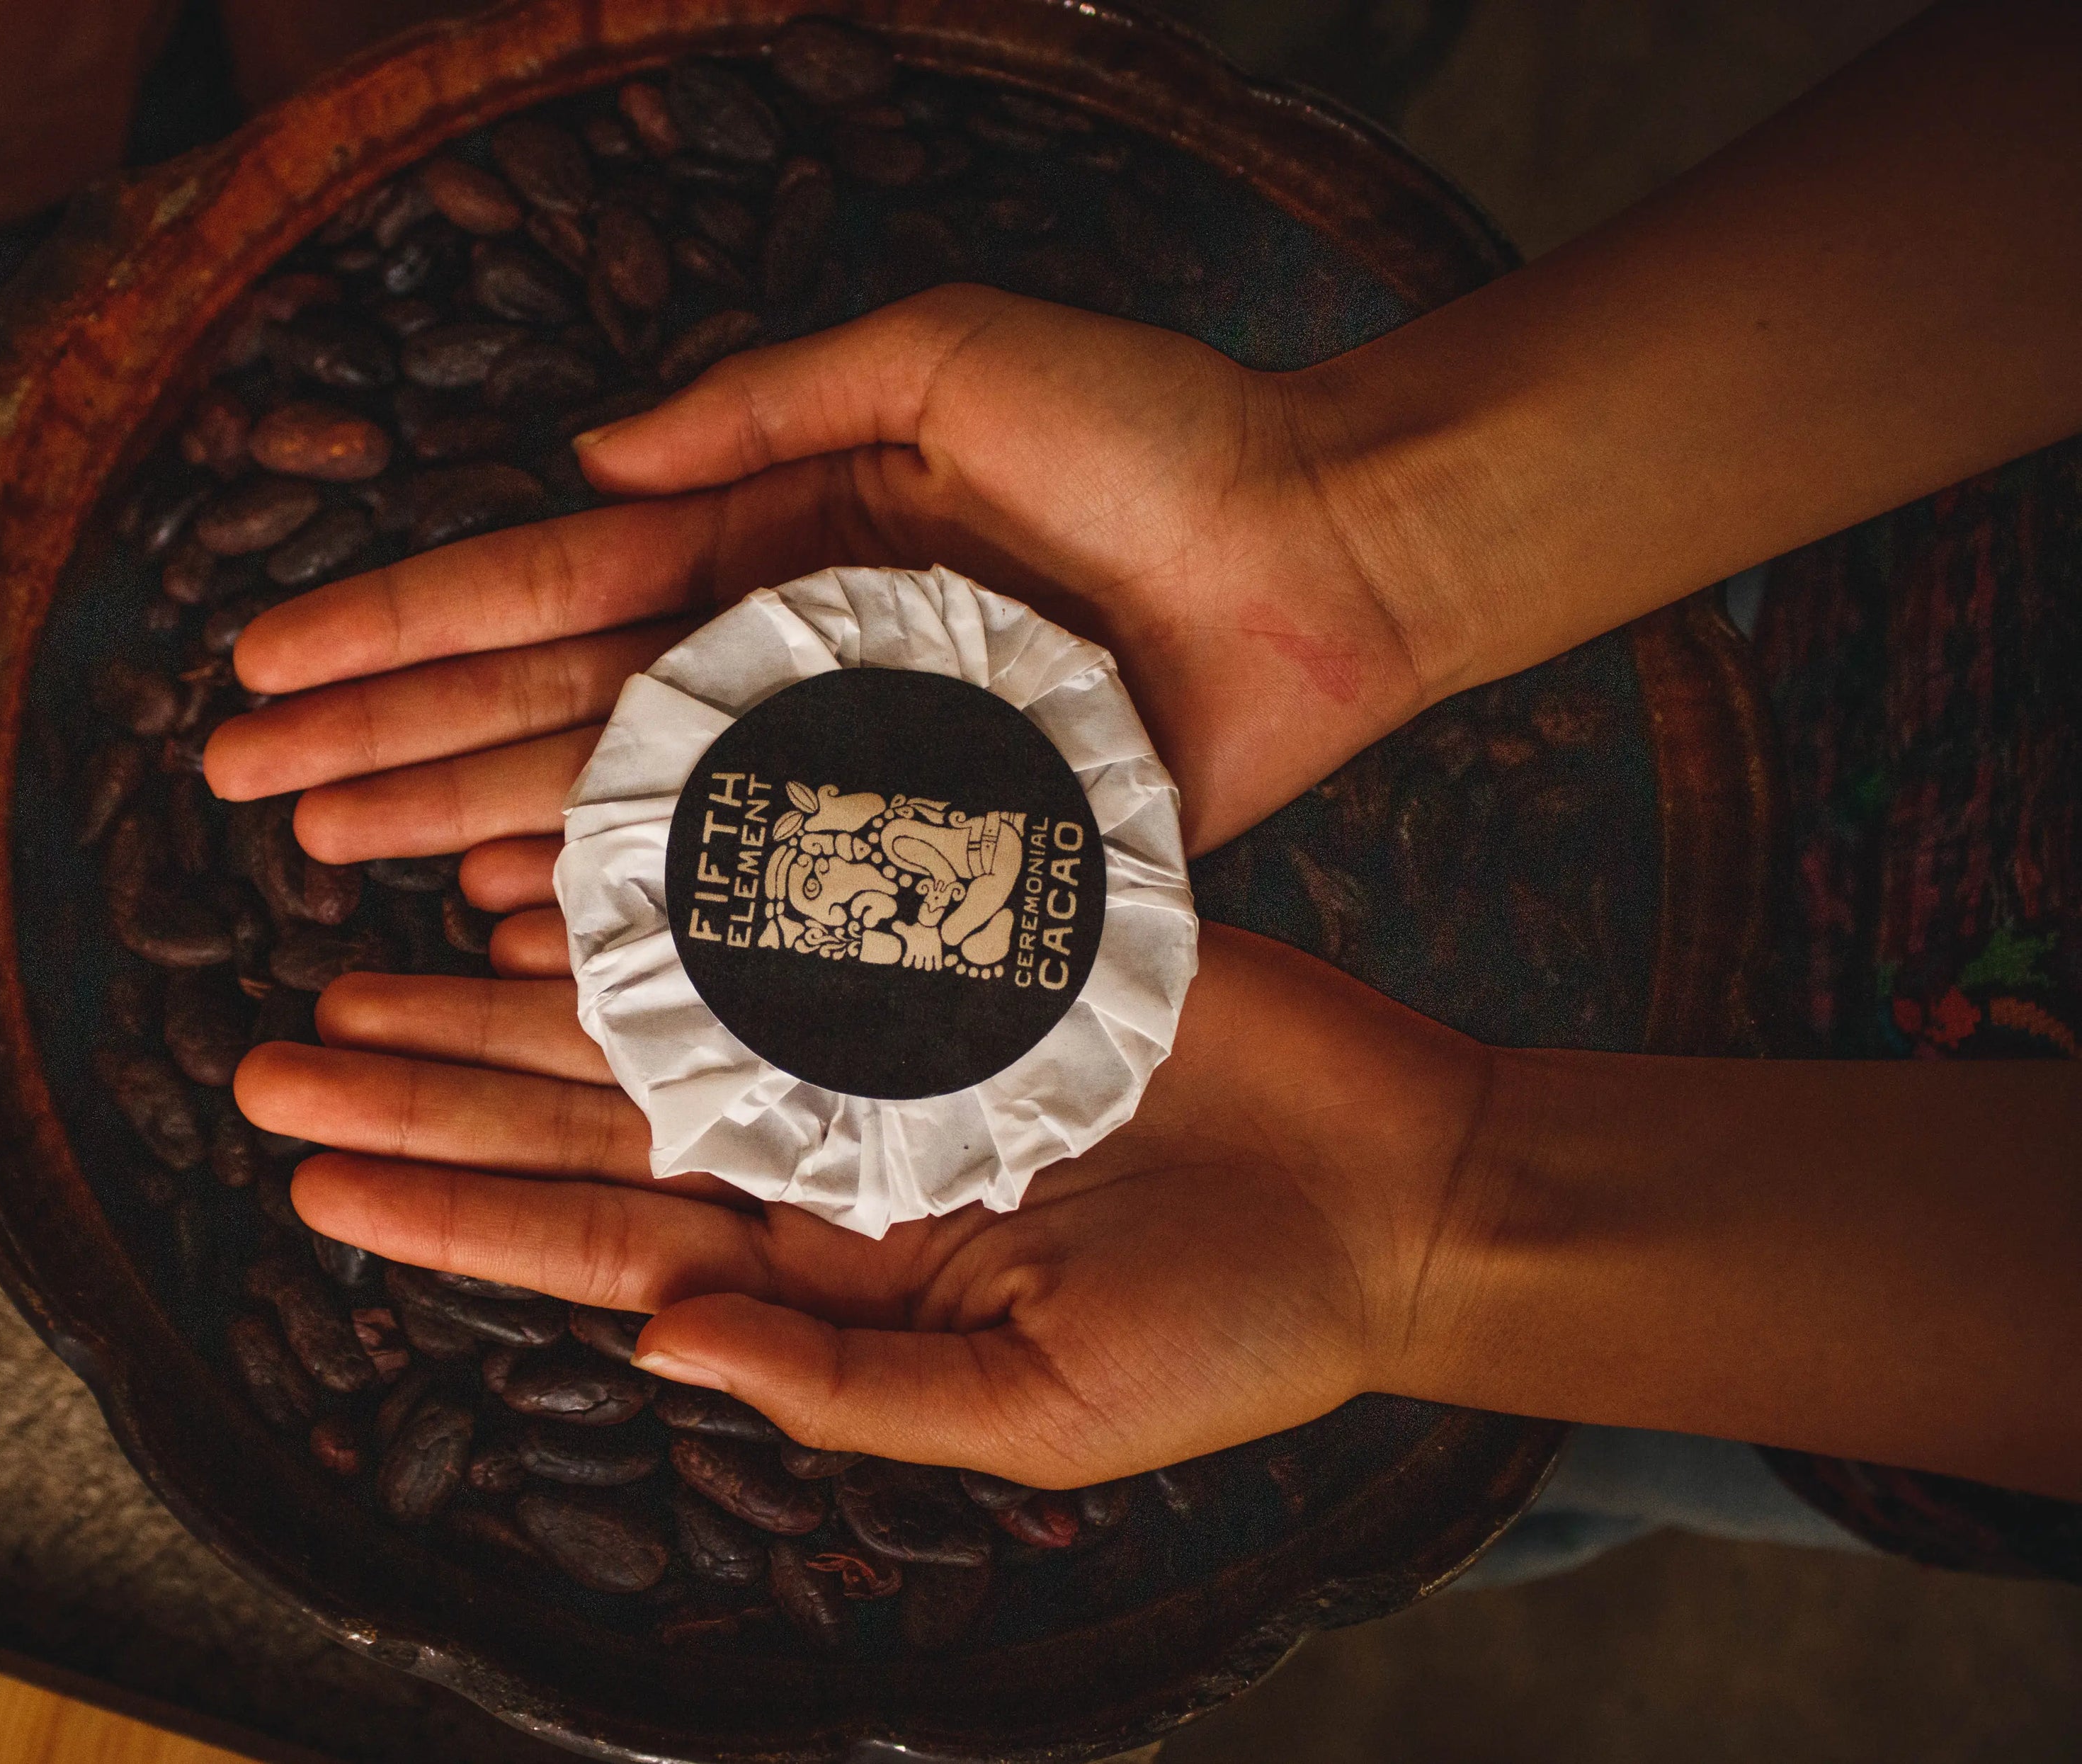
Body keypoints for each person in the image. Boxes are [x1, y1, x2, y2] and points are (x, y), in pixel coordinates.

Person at [199, 0, 2082, 1569]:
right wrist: (1371, 539)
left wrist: (1441, 1232)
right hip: (1903, 502)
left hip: (1859, 1337)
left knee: (1515, 1463)